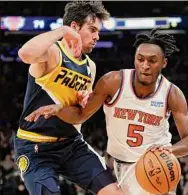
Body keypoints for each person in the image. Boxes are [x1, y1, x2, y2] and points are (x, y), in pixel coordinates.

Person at [25, 28, 188, 195]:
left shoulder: (172, 94)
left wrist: (168, 152)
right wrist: (59, 109)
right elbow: (80, 115)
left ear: (163, 63)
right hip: (118, 165)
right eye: (140, 59)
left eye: (152, 61)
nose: (145, 65)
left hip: (154, 166)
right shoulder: (112, 82)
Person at [15, 1, 124, 195]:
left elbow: (80, 116)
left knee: (116, 192)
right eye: (92, 30)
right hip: (36, 147)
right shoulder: (53, 53)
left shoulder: (90, 66)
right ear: (74, 27)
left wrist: (83, 104)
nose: (97, 36)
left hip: (72, 145)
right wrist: (61, 31)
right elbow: (25, 54)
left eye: (98, 31)